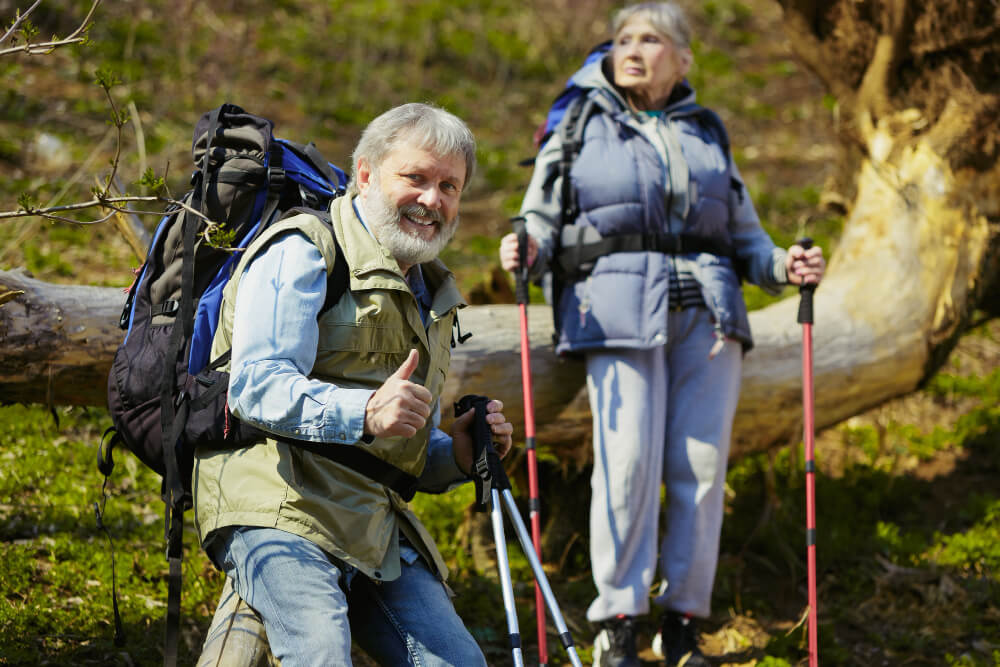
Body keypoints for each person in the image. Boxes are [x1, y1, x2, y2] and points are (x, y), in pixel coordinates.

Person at [499, 3, 826, 666]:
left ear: (683, 59)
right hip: (614, 310)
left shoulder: (707, 130)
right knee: (628, 464)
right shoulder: (582, 120)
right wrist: (526, 248)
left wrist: (784, 267)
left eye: (651, 39)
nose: (633, 49)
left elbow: (746, 238)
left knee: (702, 470)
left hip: (709, 317)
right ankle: (617, 618)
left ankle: (682, 622)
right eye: (624, 38)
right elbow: (540, 213)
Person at [193, 102, 513, 667]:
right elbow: (256, 385)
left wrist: (456, 455)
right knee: (319, 653)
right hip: (279, 502)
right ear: (365, 173)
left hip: (375, 526)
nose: (432, 200)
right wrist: (364, 410)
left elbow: (396, 444)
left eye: (449, 186)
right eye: (414, 177)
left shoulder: (432, 292)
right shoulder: (305, 251)